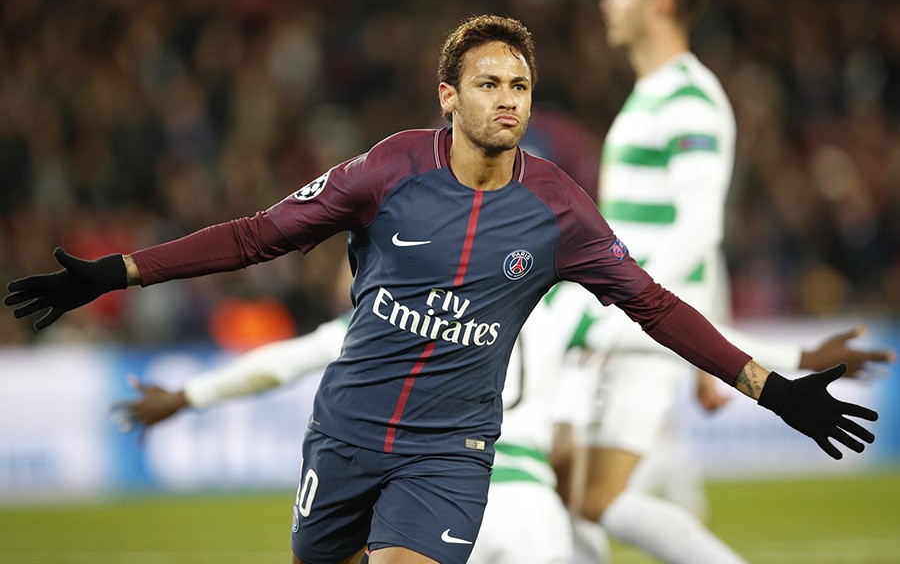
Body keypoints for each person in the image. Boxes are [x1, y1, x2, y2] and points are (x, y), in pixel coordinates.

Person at [4, 14, 878, 564]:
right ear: (448, 98)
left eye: (521, 86)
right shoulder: (386, 170)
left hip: (449, 457)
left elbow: (655, 306)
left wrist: (769, 389)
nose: (508, 99)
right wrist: (119, 271)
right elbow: (254, 237)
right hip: (343, 436)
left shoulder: (558, 213)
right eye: (489, 84)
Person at [113, 290, 893, 564]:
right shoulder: (565, 307)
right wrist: (796, 355)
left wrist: (188, 398)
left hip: (441, 508)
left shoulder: (409, 311)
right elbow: (671, 330)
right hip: (529, 508)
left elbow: (286, 360)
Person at [555, 0, 877, 562]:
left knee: (583, 494)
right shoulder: (652, 95)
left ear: (661, 2)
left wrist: (629, 311)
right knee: (578, 494)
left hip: (633, 320)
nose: (607, 1)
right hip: (631, 317)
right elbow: (695, 240)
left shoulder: (690, 99)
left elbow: (701, 229)